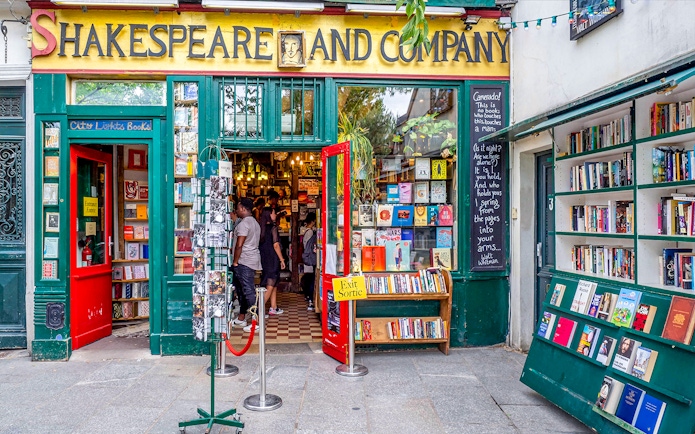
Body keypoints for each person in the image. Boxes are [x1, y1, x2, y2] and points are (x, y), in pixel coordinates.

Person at [231, 198, 262, 333]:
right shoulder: (255, 222)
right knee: (242, 289)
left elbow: (239, 245)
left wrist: (235, 261)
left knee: (248, 291)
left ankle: (258, 321)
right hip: (251, 259)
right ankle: (242, 316)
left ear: (243, 208)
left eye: (238, 208)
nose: (236, 211)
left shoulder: (244, 224)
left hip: (244, 261)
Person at [259, 207, 286, 316]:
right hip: (273, 258)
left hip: (264, 258)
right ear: (269, 215)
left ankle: (273, 307)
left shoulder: (261, 228)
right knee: (271, 282)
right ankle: (258, 310)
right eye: (274, 213)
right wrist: (282, 259)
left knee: (273, 282)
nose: (275, 215)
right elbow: (276, 245)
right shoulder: (273, 228)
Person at [301, 212, 317, 311]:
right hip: (311, 258)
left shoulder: (307, 231)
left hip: (308, 257)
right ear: (313, 221)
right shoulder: (310, 232)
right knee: (311, 279)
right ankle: (311, 299)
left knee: (310, 278)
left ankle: (309, 297)